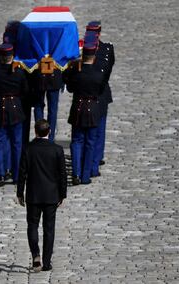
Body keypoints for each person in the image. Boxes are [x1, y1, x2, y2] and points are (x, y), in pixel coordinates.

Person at [17, 119, 67, 272]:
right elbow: (62, 175)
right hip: (51, 195)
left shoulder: (28, 149)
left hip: (33, 195)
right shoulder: (57, 150)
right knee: (49, 229)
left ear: (35, 131)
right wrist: (62, 194)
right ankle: (46, 262)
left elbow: (22, 173)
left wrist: (20, 192)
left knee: (32, 225)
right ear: (49, 131)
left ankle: (35, 255)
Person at [0, 43, 28, 186]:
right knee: (16, 143)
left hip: (0, 107)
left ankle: (1, 173)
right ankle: (17, 175)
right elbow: (24, 89)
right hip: (15, 107)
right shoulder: (18, 71)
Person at [65, 43, 106, 185]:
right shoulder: (99, 73)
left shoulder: (76, 72)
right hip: (93, 107)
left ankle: (75, 173)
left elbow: (69, 88)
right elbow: (101, 90)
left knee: (77, 141)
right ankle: (85, 175)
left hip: (78, 107)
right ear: (94, 57)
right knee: (90, 142)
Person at [85, 21, 115, 175]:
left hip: (99, 92)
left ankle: (95, 159)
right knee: (97, 129)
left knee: (99, 129)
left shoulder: (107, 49)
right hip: (94, 93)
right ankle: (93, 161)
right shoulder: (104, 49)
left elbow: (107, 70)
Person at [32, 67, 63, 142]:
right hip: (54, 75)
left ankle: (40, 135)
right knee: (52, 109)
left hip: (39, 75)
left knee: (39, 107)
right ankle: (50, 138)